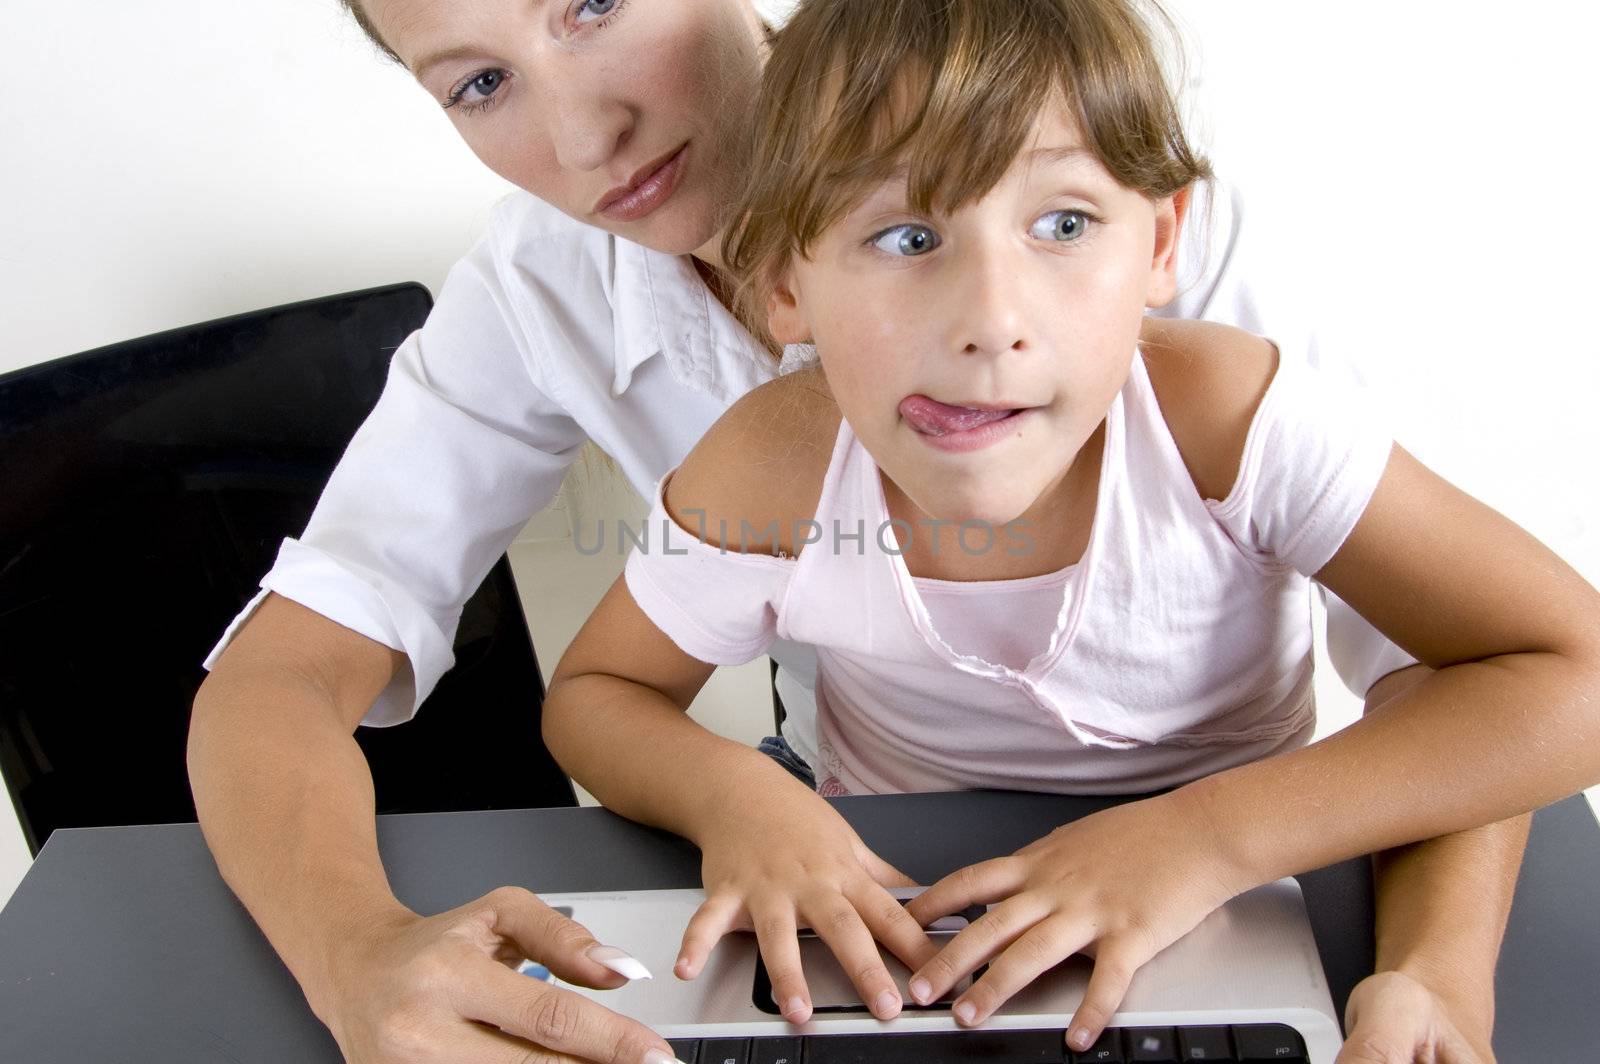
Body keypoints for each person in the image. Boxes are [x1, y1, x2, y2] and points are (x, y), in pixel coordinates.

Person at [184, 1, 1530, 1062]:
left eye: (591, 2)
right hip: (867, 836)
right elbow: (296, 664)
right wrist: (357, 958)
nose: (584, 134)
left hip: (1212, 843)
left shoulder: (1107, 204)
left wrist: (1434, 972)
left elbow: (1469, 661)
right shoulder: (551, 293)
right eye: (478, 82)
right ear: (788, 291)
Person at [539, 0, 1600, 1059]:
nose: (992, 320)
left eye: (1062, 224)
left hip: (1235, 888)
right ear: (783, 284)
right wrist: (742, 800)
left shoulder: (1229, 423)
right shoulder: (770, 465)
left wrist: (1232, 850)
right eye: (907, 236)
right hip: (908, 920)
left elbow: (1562, 668)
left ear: (1162, 244)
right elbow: (598, 695)